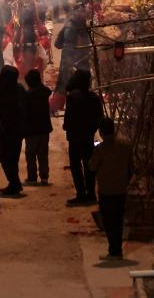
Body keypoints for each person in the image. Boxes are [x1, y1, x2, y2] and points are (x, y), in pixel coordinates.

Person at [89, 118, 133, 260]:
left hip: (106, 190)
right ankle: (116, 249)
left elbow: (91, 166)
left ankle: (114, 250)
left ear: (101, 132)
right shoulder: (125, 146)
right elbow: (131, 168)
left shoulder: (100, 149)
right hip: (121, 189)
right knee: (118, 221)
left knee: (109, 222)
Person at [64, 69, 104, 206]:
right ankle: (91, 194)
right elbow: (99, 117)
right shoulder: (94, 98)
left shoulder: (72, 97)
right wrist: (91, 129)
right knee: (89, 165)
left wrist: (67, 127)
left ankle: (81, 194)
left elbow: (68, 118)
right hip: (88, 136)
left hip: (74, 137)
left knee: (75, 165)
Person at [0, 65, 27, 196]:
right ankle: (14, 183)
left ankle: (14, 184)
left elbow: (7, 111)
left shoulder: (4, 91)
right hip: (18, 130)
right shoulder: (19, 89)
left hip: (8, 131)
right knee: (12, 159)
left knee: (5, 157)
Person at [53, 4, 91, 106]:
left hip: (69, 60)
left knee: (64, 84)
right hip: (78, 61)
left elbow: (57, 44)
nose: (85, 14)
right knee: (76, 84)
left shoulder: (68, 24)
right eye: (83, 12)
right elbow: (86, 46)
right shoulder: (81, 27)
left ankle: (58, 105)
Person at [22, 69, 52, 185]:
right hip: (44, 129)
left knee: (31, 155)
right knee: (43, 154)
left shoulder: (28, 95)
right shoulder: (45, 92)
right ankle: (44, 177)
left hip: (31, 130)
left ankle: (32, 178)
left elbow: (25, 113)